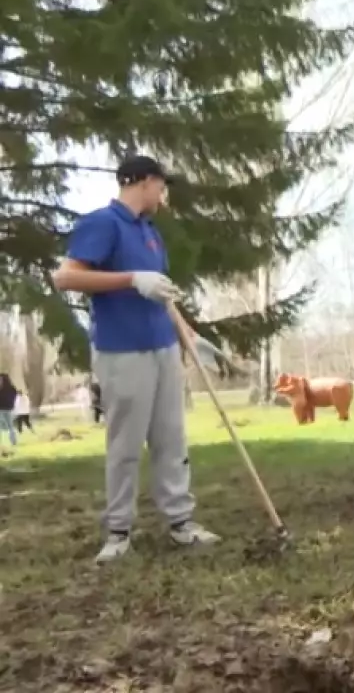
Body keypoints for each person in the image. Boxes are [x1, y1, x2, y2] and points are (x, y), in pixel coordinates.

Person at [52, 154, 222, 564]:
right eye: (161, 187)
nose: (163, 196)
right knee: (126, 443)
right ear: (144, 182)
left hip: (162, 345)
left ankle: (181, 522)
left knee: (170, 438)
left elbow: (160, 294)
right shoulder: (103, 223)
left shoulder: (150, 233)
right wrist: (130, 279)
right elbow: (66, 276)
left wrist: (191, 338)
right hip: (121, 349)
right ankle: (118, 531)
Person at [0, 373, 17, 449]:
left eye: (0, 379)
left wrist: (11, 404)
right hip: (1, 409)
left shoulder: (11, 388)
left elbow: (14, 396)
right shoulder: (11, 388)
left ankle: (13, 441)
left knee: (11, 426)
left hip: (8, 409)